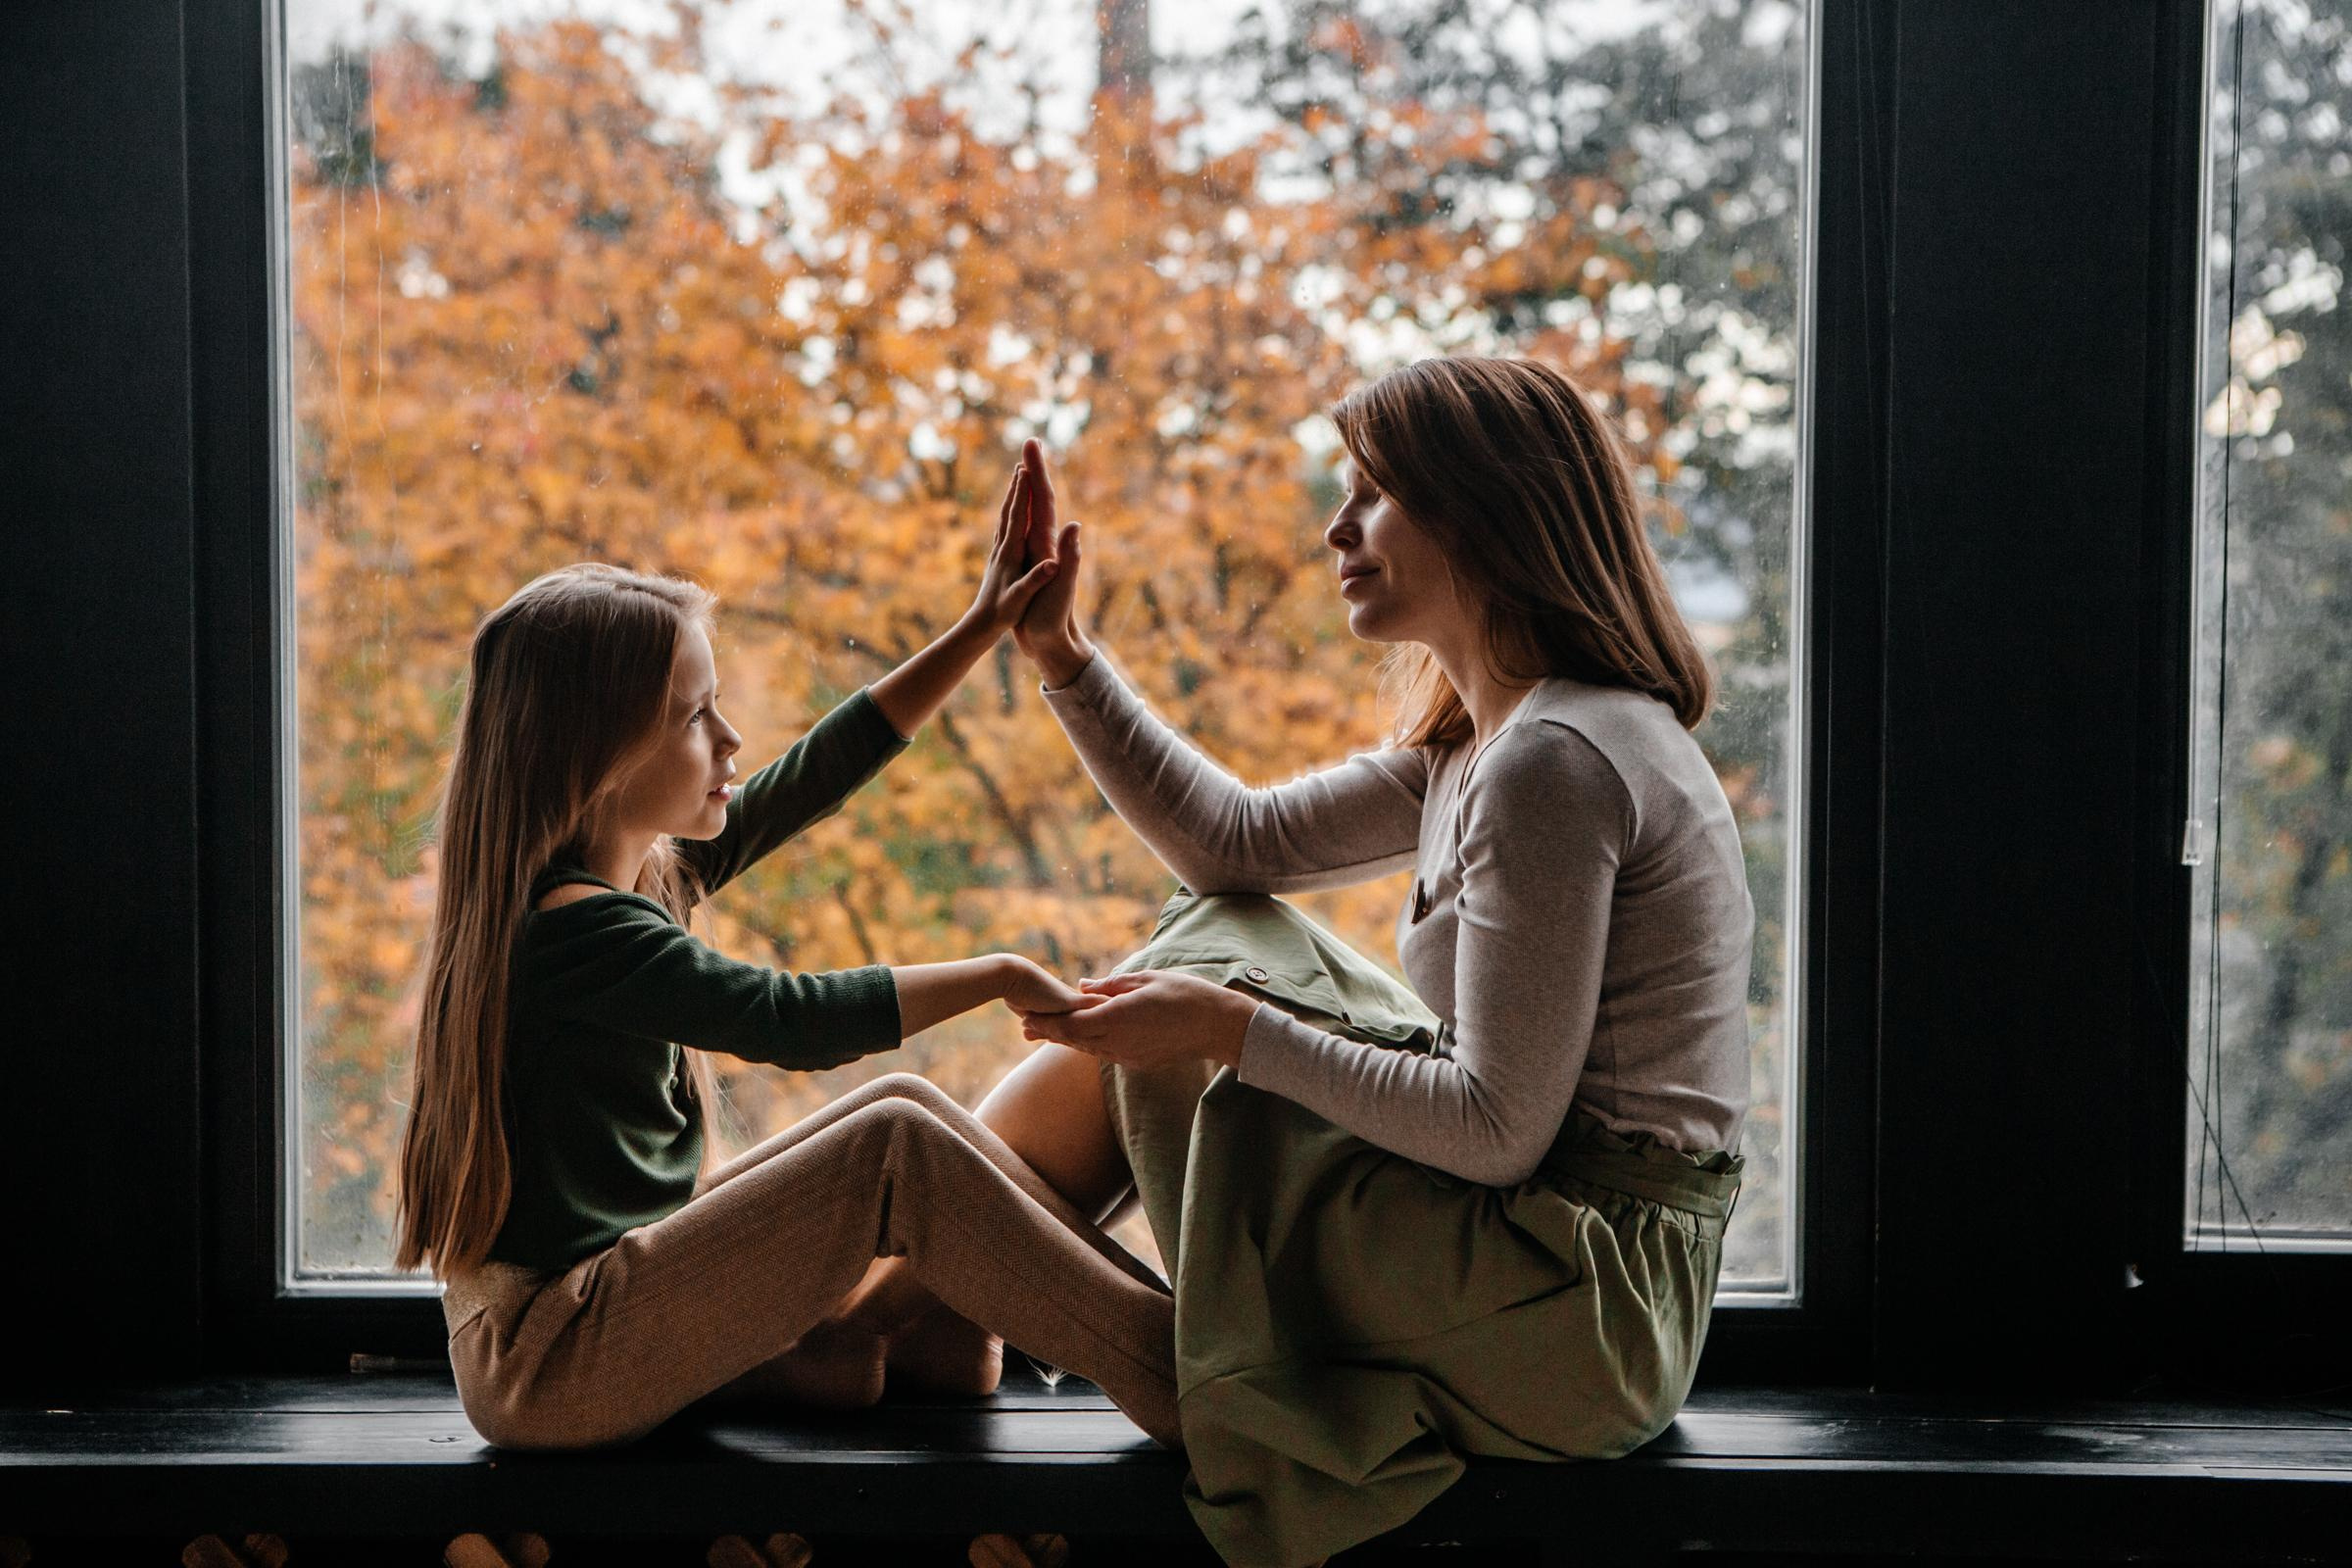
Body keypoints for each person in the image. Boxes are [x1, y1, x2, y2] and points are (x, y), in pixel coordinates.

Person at [894, 356, 1755, 1567]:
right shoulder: (1489, 743)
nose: (1333, 525)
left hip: (1579, 1313)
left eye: (1374, 492)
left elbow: (1499, 1127)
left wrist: (1229, 1033)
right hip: (1549, 1256)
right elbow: (1230, 844)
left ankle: (912, 1297)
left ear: (1484, 512)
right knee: (1224, 931)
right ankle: (930, 1300)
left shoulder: (1556, 762)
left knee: (1213, 987)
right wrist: (1062, 654)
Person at [393, 466, 1181, 1452]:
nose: (730, 739)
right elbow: (787, 1017)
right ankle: (1202, 1382)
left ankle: (935, 1334)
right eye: (693, 716)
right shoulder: (568, 929)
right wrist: (994, 974)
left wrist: (983, 627)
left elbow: (816, 770)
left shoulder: (635, 876)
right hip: (554, 1353)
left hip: (604, 1297)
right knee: (895, 1141)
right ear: (593, 753)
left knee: (915, 1112)